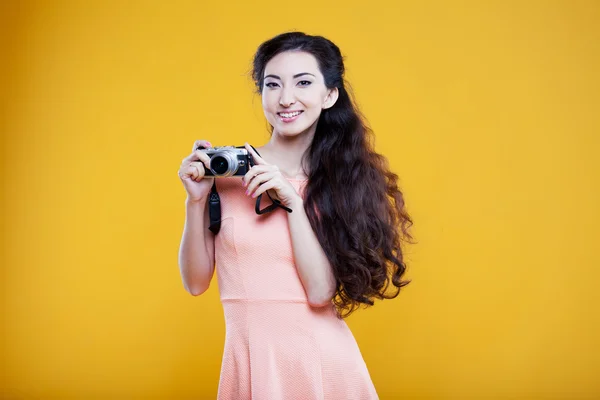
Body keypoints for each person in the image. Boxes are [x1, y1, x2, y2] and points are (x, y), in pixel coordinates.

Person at [177, 31, 413, 400]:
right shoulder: (230, 174)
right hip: (251, 363)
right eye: (273, 85)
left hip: (321, 364)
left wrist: (292, 202)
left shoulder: (341, 183)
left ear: (329, 94)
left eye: (303, 82)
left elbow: (320, 293)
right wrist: (195, 201)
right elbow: (195, 283)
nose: (286, 99)